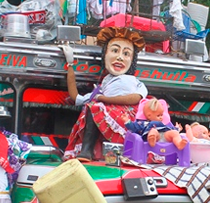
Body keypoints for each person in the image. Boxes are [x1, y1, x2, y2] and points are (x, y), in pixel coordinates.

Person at [63, 27, 147, 162]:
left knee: (95, 107)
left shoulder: (135, 82)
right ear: (105, 54)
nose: (120, 57)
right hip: (105, 110)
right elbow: (77, 98)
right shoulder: (103, 86)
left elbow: (135, 98)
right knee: (92, 107)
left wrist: (104, 99)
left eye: (126, 54)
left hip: (128, 118)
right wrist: (70, 63)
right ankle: (87, 151)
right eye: (115, 50)